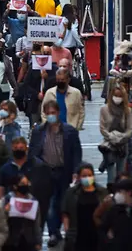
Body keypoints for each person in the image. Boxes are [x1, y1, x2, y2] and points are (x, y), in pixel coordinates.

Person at [28, 100, 83, 248]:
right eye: (48, 113)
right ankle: (53, 232)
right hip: (46, 173)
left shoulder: (70, 131)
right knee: (51, 203)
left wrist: (77, 171)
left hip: (64, 171)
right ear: (45, 114)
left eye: (53, 113)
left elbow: (76, 153)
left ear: (58, 113)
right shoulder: (39, 131)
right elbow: (32, 153)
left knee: (63, 202)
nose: (51, 115)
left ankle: (62, 229)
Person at [61, 163, 108, 251]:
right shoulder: (71, 193)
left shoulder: (102, 192)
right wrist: (67, 231)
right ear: (79, 177)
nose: (87, 178)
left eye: (90, 175)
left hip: (97, 234)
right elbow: (65, 213)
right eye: (84, 176)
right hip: (77, 234)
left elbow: (108, 213)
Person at [100, 84, 132, 185]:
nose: (117, 98)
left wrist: (121, 138)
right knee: (111, 174)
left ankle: (120, 194)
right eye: (115, 95)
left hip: (122, 146)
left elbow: (129, 129)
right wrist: (111, 137)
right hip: (109, 146)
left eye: (120, 96)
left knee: (121, 173)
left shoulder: (127, 111)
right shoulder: (104, 109)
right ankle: (111, 193)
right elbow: (102, 128)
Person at [1, 174, 42, 251]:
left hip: (28, 240)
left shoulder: (33, 201)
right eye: (23, 184)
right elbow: (0, 221)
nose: (26, 186)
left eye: (27, 183)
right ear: (15, 186)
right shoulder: (7, 199)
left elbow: (37, 223)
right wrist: (5, 211)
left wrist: (38, 242)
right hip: (10, 241)